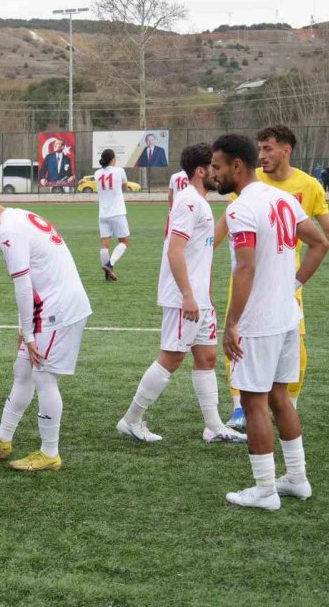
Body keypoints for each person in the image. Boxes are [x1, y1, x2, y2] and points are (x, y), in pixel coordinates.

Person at [210, 133, 329, 510]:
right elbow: (319, 243)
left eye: (216, 166)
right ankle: (297, 479)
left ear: (236, 166)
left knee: (253, 401)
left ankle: (264, 490)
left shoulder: (240, 208)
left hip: (259, 322)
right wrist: (292, 286)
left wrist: (232, 324)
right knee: (279, 397)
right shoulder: (281, 198)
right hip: (287, 317)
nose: (213, 174)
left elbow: (245, 268)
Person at [215, 125, 329, 427]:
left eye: (268, 148)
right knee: (238, 342)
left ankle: (287, 405)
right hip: (247, 284)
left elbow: (328, 233)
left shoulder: (307, 186)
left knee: (296, 348)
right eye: (259, 148)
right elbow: (226, 226)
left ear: (286, 150)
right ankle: (239, 408)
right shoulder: (250, 184)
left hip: (285, 282)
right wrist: (198, 257)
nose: (262, 155)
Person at [0, 184, 91, 471]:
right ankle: (3, 437)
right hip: (53, 306)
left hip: (57, 310)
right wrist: (25, 326)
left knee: (43, 377)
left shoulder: (8, 231)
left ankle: (49, 453)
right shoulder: (18, 216)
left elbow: (24, 286)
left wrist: (28, 333)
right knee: (23, 370)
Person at [115, 144, 245, 444]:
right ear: (201, 171)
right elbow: (174, 250)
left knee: (207, 356)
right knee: (171, 359)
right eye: (214, 167)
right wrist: (187, 295)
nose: (218, 173)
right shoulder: (189, 202)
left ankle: (213, 426)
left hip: (200, 299)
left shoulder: (200, 202)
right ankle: (131, 419)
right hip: (184, 298)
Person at [95, 148, 131, 281]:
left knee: (104, 244)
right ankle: (110, 265)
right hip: (117, 212)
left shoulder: (97, 173)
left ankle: (107, 274)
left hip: (103, 214)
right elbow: (125, 187)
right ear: (112, 159)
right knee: (125, 242)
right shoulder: (120, 171)